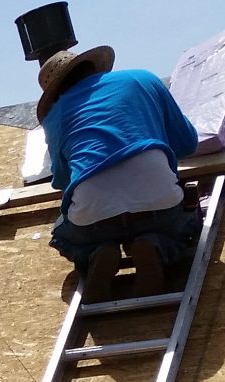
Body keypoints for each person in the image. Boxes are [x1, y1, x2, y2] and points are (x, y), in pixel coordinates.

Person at [37, 42, 201, 298]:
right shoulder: (143, 79)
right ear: (91, 66)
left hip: (94, 219)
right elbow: (187, 143)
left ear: (56, 92)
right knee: (187, 218)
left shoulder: (55, 116)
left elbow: (62, 181)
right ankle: (155, 246)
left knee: (61, 232)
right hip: (157, 203)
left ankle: (96, 254)